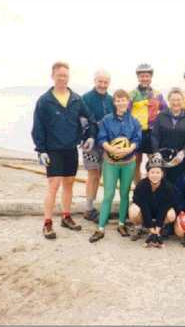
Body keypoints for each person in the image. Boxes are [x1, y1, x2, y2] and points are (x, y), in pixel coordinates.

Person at [32, 61, 96, 239]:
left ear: (68, 77)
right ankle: (47, 223)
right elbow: (38, 127)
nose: (62, 78)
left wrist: (89, 137)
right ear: (53, 76)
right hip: (52, 149)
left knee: (69, 183)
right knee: (54, 185)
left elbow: (90, 119)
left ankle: (66, 217)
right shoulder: (45, 101)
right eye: (59, 75)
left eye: (65, 75)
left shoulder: (76, 99)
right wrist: (41, 150)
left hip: (70, 149)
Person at [88, 90, 141, 243]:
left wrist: (129, 149)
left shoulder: (134, 121)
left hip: (128, 162)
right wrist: (111, 149)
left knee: (125, 193)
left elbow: (137, 139)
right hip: (110, 162)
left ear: (128, 102)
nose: (121, 103)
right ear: (114, 102)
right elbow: (101, 138)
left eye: (124, 100)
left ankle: (121, 224)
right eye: (118, 100)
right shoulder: (106, 120)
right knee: (108, 194)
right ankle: (100, 228)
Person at [81, 69, 114, 223]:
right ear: (95, 81)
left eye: (105, 82)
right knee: (93, 174)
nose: (102, 85)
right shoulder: (85, 98)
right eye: (100, 81)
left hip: (107, 144)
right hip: (90, 142)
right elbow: (82, 120)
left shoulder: (111, 99)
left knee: (105, 175)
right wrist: (88, 137)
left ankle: (101, 207)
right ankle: (88, 208)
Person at [128, 63, 168, 185]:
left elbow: (165, 111)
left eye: (147, 76)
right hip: (137, 132)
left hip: (152, 132)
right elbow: (126, 113)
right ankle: (138, 188)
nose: (144, 78)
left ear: (151, 77)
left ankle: (153, 188)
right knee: (136, 163)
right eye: (142, 76)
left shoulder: (157, 94)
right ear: (138, 78)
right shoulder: (132, 94)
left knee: (154, 164)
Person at [128, 158, 179, 247]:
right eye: (152, 172)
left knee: (171, 215)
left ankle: (160, 228)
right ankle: (139, 226)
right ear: (148, 173)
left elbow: (163, 208)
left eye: (158, 172)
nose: (155, 175)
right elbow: (144, 207)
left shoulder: (168, 187)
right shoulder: (141, 186)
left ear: (162, 174)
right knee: (133, 211)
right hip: (145, 211)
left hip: (159, 211)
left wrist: (157, 228)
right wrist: (151, 228)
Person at [151, 87, 185, 185]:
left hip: (181, 158)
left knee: (180, 184)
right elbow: (155, 136)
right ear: (169, 100)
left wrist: (183, 152)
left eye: (178, 100)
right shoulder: (161, 115)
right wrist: (156, 152)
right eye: (173, 100)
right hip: (163, 157)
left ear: (183, 100)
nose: (176, 103)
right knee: (164, 183)